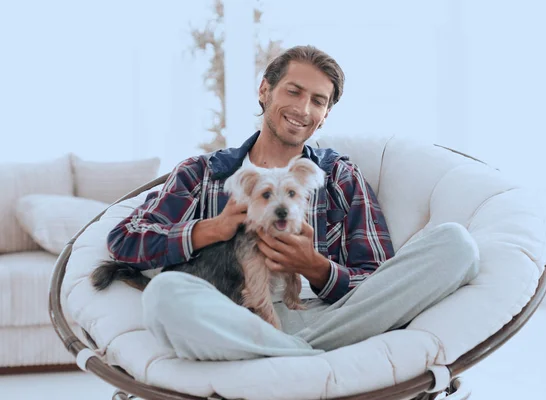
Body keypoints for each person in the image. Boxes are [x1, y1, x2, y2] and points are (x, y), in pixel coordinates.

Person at [107, 45, 480, 361]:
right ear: (264, 90)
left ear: (325, 116)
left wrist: (316, 267)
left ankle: (278, 353)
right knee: (163, 295)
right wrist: (211, 229)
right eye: (293, 91)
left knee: (456, 244)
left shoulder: (339, 177)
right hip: (230, 316)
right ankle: (302, 358)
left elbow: (380, 278)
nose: (303, 109)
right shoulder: (202, 173)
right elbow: (124, 242)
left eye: (318, 101)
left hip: (322, 316)